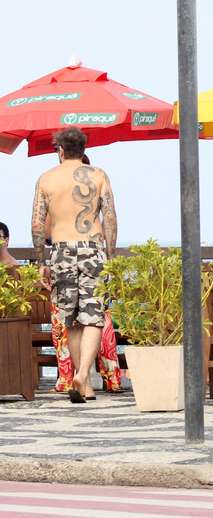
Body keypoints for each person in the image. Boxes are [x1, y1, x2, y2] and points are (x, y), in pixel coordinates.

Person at [31, 127, 118, 403]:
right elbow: (110, 220)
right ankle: (83, 375)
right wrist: (111, 257)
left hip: (61, 250)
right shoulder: (99, 175)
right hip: (93, 248)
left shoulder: (46, 179)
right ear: (83, 149)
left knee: (71, 320)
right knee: (93, 316)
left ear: (60, 149)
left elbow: (36, 224)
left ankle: (84, 383)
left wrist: (40, 262)